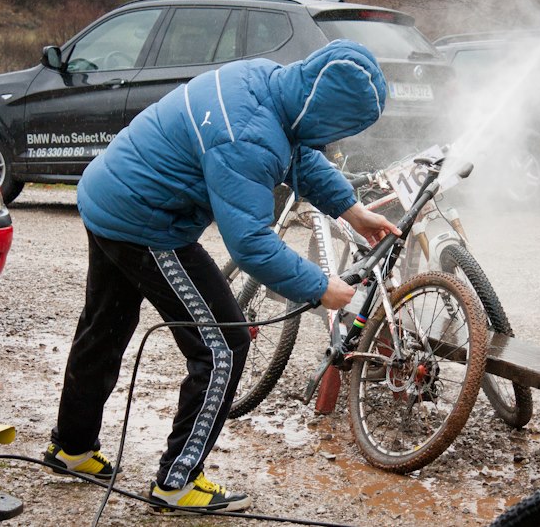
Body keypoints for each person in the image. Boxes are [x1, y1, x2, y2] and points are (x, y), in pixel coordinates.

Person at [43, 39, 399, 514]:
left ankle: (71, 448)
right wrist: (319, 287)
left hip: (108, 191)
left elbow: (297, 153)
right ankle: (177, 482)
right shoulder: (249, 135)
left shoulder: (267, 82)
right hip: (146, 221)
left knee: (104, 329)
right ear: (325, 112)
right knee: (224, 344)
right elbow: (250, 243)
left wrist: (351, 210)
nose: (337, 138)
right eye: (341, 127)